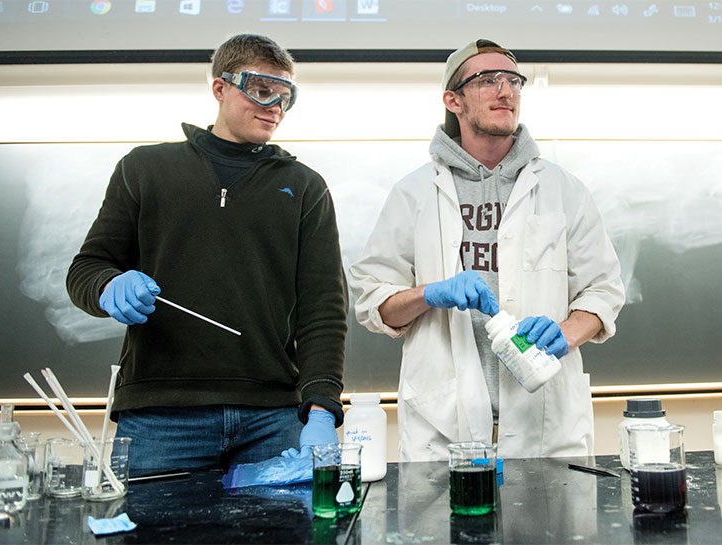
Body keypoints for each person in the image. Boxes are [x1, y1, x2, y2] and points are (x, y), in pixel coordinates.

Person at [66, 34, 347, 472]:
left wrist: (322, 407)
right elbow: (86, 268)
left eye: (286, 95)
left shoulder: (306, 188)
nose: (275, 105)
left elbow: (323, 308)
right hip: (160, 414)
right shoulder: (145, 170)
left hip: (272, 415)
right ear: (220, 88)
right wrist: (107, 285)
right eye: (260, 89)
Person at [348, 39, 625, 461]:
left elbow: (604, 290)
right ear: (453, 100)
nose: (506, 91)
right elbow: (373, 302)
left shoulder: (562, 189)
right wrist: (428, 294)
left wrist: (564, 335)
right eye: (487, 80)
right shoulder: (414, 193)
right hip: (441, 431)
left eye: (514, 81)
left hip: (545, 428)